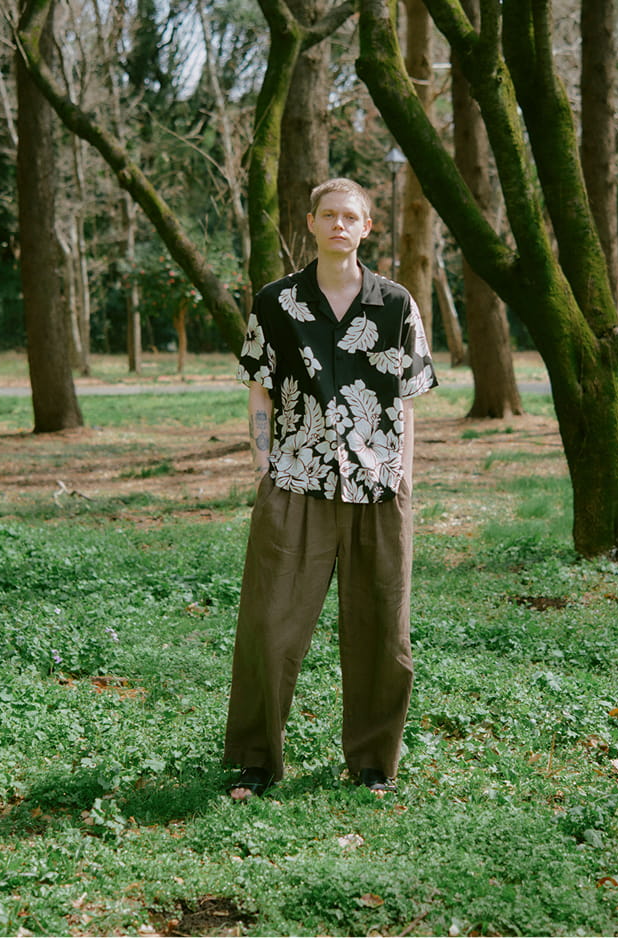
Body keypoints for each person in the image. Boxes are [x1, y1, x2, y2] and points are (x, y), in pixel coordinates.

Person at [223, 177, 436, 800]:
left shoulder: (395, 304)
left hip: (378, 486)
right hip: (295, 480)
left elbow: (407, 399)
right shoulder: (276, 302)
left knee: (382, 631)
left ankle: (373, 762)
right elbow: (259, 386)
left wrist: (404, 477)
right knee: (269, 626)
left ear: (366, 228)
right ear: (311, 223)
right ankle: (257, 761)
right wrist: (262, 463)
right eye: (329, 215)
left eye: (351, 216)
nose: (339, 224)